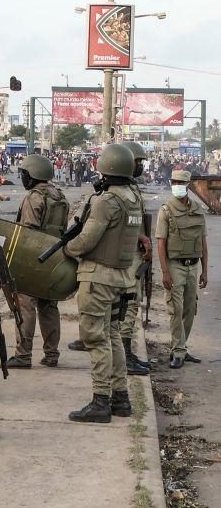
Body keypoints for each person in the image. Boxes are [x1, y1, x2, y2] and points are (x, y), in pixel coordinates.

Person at [64, 144, 143, 423]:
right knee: (112, 337)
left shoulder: (106, 201)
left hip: (98, 278)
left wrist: (67, 249)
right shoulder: (133, 197)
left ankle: (100, 401)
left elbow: (87, 240)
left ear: (107, 170)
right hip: (121, 277)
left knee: (96, 339)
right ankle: (121, 398)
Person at [6, 155, 69, 369]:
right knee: (49, 306)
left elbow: (27, 235)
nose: (22, 178)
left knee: (25, 306)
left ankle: (23, 355)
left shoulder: (34, 198)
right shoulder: (60, 196)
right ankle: (52, 354)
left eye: (24, 174)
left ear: (33, 175)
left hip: (32, 261)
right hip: (53, 260)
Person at [156, 169, 209, 369]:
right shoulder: (166, 210)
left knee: (189, 309)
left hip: (192, 266)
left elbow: (203, 243)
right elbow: (161, 244)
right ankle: (178, 350)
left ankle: (181, 348)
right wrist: (165, 272)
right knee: (175, 309)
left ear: (187, 185)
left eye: (180, 182)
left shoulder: (197, 209)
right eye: (174, 181)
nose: (176, 184)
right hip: (175, 266)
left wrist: (205, 271)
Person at [117, 141, 153, 375]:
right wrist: (140, 236)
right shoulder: (120, 192)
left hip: (136, 254)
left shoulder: (131, 188)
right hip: (128, 256)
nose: (140, 166)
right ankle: (124, 356)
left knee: (132, 304)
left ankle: (127, 353)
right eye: (137, 162)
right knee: (129, 304)